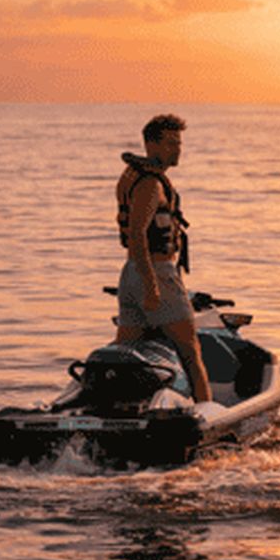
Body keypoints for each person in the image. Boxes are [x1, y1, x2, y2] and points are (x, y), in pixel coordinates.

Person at [115, 114, 212, 403]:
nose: (177, 149)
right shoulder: (151, 185)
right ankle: (207, 415)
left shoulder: (130, 176)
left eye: (179, 143)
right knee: (191, 353)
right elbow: (137, 236)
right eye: (170, 143)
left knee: (125, 352)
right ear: (150, 144)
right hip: (154, 272)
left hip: (130, 274)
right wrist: (153, 285)